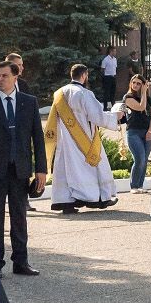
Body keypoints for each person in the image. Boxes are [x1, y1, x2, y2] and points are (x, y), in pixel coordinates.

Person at [0, 60, 47, 276]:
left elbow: (38, 139)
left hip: (19, 169)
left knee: (19, 217)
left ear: (15, 77)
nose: (0, 79)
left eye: (4, 76)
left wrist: (41, 169)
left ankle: (21, 261)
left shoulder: (28, 102)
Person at [44, 64, 117, 213]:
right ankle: (95, 198)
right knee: (89, 167)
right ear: (84, 75)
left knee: (65, 169)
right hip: (84, 140)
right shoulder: (84, 93)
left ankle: (65, 202)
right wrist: (116, 118)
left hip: (65, 140)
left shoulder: (59, 93)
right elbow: (97, 116)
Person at [120, 74, 151, 192]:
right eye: (133, 82)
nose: (135, 85)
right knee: (139, 158)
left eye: (138, 83)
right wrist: (144, 92)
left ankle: (140, 186)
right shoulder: (128, 97)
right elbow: (141, 107)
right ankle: (134, 186)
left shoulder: (148, 99)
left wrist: (150, 130)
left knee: (145, 159)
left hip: (148, 132)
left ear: (143, 85)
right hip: (133, 132)